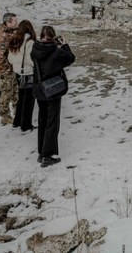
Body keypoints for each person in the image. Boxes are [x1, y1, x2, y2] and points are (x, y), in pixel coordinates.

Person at [32, 26, 75, 166]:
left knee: (42, 120)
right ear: (53, 36)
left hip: (39, 89)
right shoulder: (56, 52)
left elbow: (45, 52)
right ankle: (47, 154)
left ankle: (41, 151)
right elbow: (70, 58)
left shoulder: (35, 49)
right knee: (52, 122)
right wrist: (65, 45)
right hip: (52, 89)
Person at [7, 21, 37, 132]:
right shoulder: (30, 42)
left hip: (18, 73)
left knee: (21, 98)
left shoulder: (14, 40)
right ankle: (26, 125)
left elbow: (10, 59)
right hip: (28, 73)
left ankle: (17, 121)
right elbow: (30, 60)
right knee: (29, 100)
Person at [0, 12, 18, 125]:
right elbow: (0, 57)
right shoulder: (2, 36)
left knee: (15, 91)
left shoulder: (12, 32)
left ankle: (16, 112)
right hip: (5, 70)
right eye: (14, 21)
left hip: (13, 68)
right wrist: (7, 69)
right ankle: (4, 115)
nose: (16, 23)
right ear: (8, 22)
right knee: (6, 92)